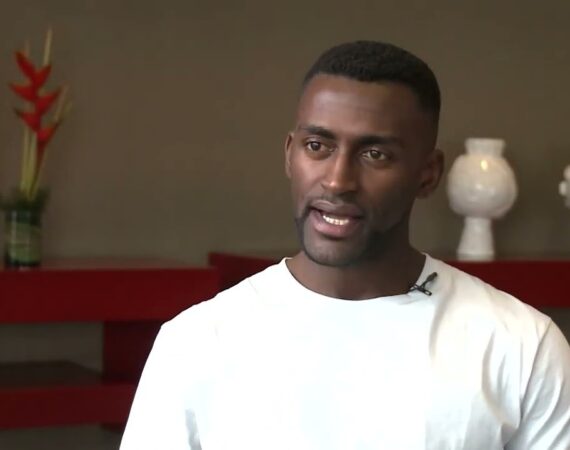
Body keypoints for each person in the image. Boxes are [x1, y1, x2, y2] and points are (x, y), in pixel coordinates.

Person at [120, 41, 570, 449]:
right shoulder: (196, 343)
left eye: (375, 154)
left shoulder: (521, 347)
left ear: (428, 174)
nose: (337, 181)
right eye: (318, 146)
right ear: (290, 154)